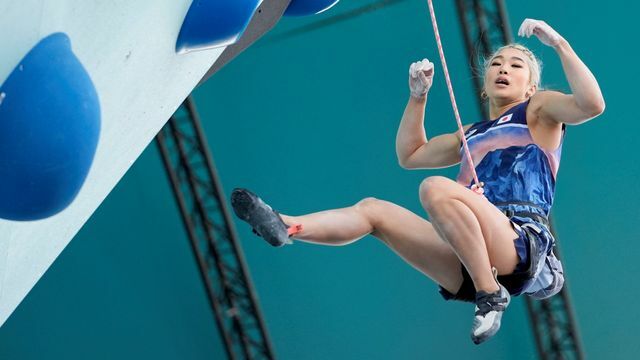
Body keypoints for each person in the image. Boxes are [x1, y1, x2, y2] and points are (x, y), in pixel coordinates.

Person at [231, 18, 605, 344]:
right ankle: (289, 226)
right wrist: (418, 97)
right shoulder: (469, 135)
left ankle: (490, 294)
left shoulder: (538, 111)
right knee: (374, 211)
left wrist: (559, 44)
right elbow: (410, 155)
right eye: (495, 63)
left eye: (516, 64)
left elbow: (591, 105)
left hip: (518, 241)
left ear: (530, 88)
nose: (502, 68)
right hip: (467, 250)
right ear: (483, 84)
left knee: (435, 188)